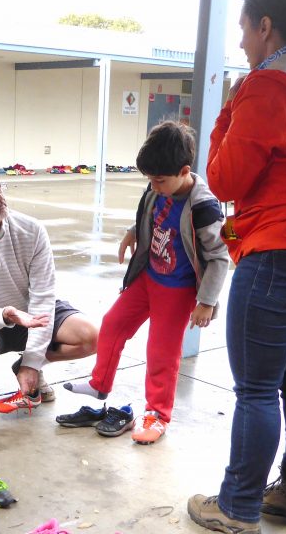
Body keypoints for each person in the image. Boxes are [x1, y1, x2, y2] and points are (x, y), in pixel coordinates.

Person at [188, 0, 286, 534]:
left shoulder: (268, 88)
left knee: (258, 390)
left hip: (277, 253)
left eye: (244, 29)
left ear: (266, 26)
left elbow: (224, 179)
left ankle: (238, 506)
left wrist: (228, 109)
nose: (241, 42)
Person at [65, 121, 229, 444]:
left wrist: (206, 301)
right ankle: (99, 384)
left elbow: (220, 256)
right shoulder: (158, 188)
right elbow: (148, 214)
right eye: (150, 179)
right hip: (148, 277)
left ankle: (157, 414)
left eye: (159, 180)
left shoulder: (204, 207)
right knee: (113, 323)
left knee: (161, 353)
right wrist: (132, 232)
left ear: (184, 171)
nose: (153, 186)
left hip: (177, 291)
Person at [0, 163, 98, 412]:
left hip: (34, 315)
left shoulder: (31, 230)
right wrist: (3, 315)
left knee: (92, 338)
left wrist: (32, 362)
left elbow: (43, 297)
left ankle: (28, 366)